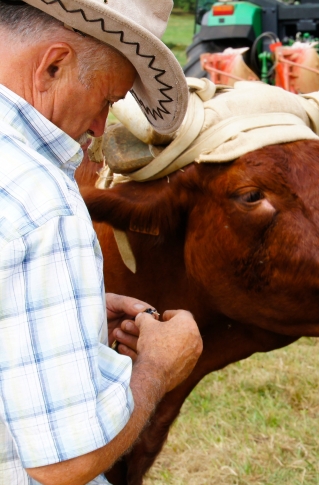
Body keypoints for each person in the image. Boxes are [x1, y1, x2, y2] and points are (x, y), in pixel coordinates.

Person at [0, 0, 203, 483]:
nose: (99, 128)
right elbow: (65, 464)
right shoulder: (41, 198)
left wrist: (56, 306)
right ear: (54, 65)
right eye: (108, 100)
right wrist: (156, 369)